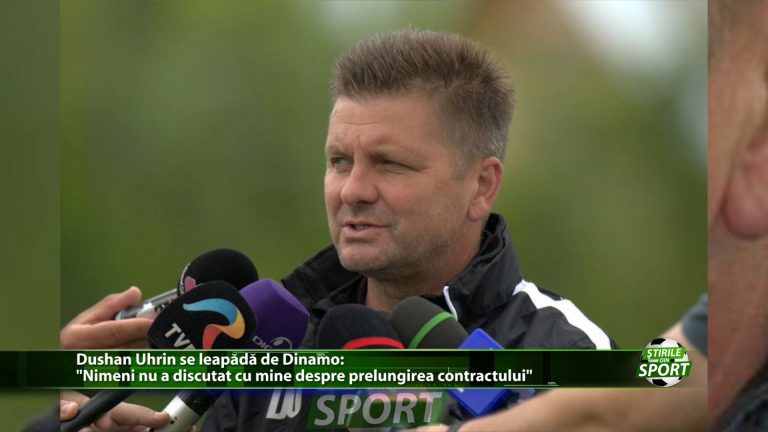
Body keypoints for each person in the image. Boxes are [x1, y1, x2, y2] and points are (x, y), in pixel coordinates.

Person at [201, 28, 614, 431]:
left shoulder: (567, 352)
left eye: (390, 164)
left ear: (481, 186)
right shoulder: (273, 344)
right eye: (340, 161)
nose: (352, 190)